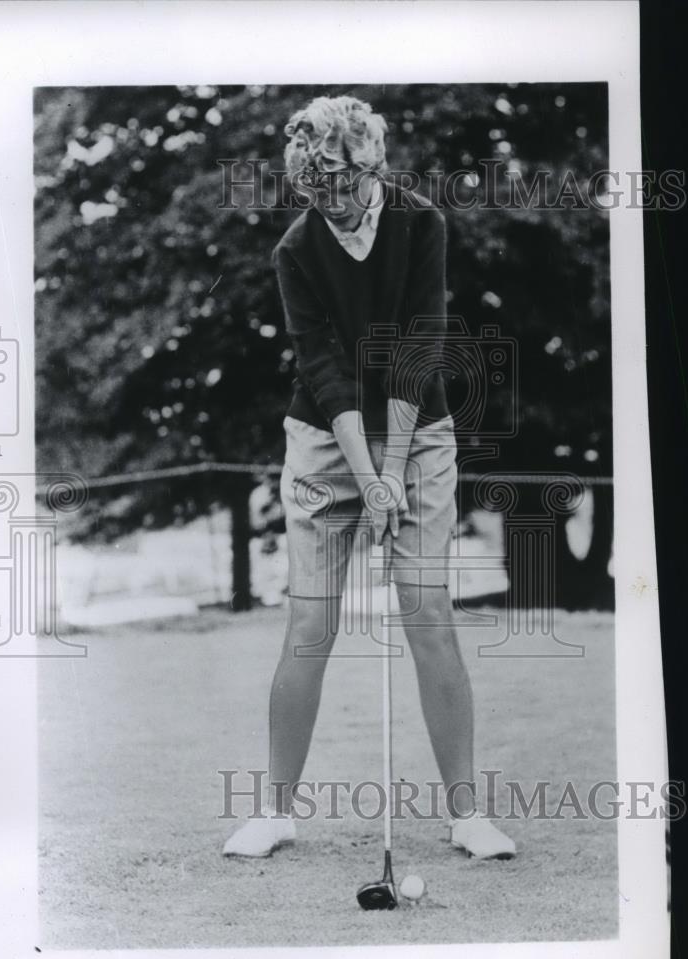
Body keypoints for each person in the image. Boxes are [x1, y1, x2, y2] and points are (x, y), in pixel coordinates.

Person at [223, 95, 515, 861]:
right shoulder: (297, 250)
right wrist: (364, 473)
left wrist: (391, 473)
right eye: (318, 198)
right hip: (324, 441)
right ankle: (278, 812)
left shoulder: (423, 223)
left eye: (345, 192)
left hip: (419, 437)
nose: (336, 209)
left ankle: (467, 817)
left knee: (427, 614)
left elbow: (421, 340)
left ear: (373, 168)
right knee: (311, 624)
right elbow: (321, 369)